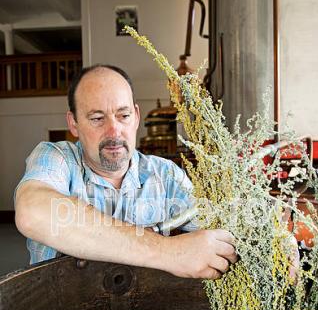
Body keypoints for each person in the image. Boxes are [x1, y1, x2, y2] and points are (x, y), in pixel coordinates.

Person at [15, 65, 237, 279]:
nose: (114, 131)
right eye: (97, 118)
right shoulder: (56, 157)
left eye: (123, 115)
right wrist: (171, 252)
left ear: (137, 116)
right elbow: (33, 213)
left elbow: (216, 232)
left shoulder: (166, 175)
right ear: (74, 123)